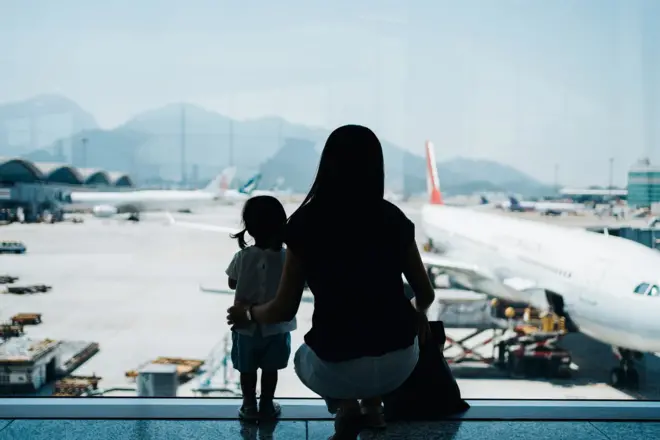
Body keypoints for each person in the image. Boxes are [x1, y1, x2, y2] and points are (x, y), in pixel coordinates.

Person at [227, 125, 436, 439]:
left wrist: (249, 314)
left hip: (337, 363)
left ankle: (346, 407)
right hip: (400, 361)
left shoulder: (305, 224)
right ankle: (373, 409)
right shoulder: (393, 219)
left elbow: (283, 310)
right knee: (375, 354)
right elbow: (426, 294)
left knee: (303, 359)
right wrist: (418, 314)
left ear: (327, 165)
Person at [225, 195, 296, 421]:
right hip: (276, 328)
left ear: (249, 228)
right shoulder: (288, 258)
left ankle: (248, 405)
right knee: (270, 369)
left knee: (247, 370)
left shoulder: (242, 257)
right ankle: (266, 404)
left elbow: (231, 282)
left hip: (245, 328)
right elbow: (298, 284)